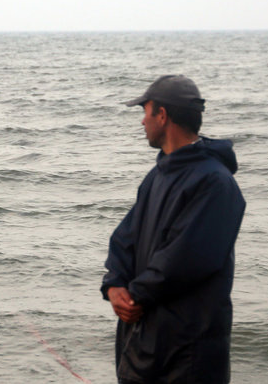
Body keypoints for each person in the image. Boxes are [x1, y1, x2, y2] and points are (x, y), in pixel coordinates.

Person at [100, 75, 246, 383]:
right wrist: (114, 285)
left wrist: (135, 296)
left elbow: (187, 259)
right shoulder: (157, 175)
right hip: (143, 341)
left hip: (190, 351)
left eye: (146, 112)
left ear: (162, 115)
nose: (142, 121)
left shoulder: (215, 183)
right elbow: (124, 239)